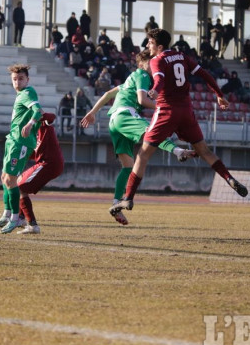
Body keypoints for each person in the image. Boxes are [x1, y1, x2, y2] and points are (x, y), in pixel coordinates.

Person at [108, 29, 248, 221]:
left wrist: (155, 92)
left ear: (159, 45)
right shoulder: (182, 56)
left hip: (166, 111)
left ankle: (128, 198)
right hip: (187, 112)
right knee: (205, 151)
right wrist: (219, 95)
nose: (147, 46)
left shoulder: (158, 60)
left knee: (143, 154)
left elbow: (159, 79)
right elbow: (205, 75)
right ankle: (228, 178)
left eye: (149, 43)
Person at [81, 49, 197, 225]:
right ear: (143, 64)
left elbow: (107, 95)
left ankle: (116, 204)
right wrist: (164, 108)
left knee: (128, 167)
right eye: (151, 63)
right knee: (153, 132)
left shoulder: (130, 79)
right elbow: (142, 100)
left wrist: (92, 112)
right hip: (126, 115)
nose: (154, 66)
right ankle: (178, 150)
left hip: (114, 120)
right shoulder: (142, 75)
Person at [0, 64, 43, 234]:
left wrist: (30, 124)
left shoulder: (28, 93)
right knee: (4, 177)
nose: (17, 82)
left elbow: (38, 111)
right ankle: (7, 214)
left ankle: (15, 218)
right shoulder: (21, 94)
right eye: (14, 79)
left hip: (21, 142)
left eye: (21, 79)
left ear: (27, 79)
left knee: (10, 180)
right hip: (12, 140)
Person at [14, 112, 64, 234]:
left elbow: (52, 116)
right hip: (48, 163)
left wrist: (36, 117)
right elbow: (33, 153)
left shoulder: (42, 123)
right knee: (19, 183)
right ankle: (21, 219)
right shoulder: (30, 135)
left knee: (20, 187)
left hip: (49, 163)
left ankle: (32, 225)